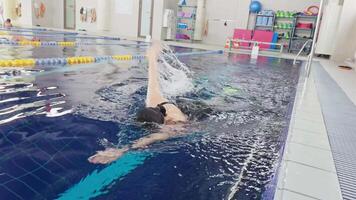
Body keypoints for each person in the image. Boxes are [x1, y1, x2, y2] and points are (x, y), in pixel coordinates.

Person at [88, 43, 188, 164]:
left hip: (188, 112)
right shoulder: (153, 100)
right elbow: (153, 77)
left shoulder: (175, 125)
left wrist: (121, 150)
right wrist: (152, 56)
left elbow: (151, 138)